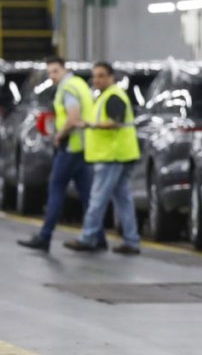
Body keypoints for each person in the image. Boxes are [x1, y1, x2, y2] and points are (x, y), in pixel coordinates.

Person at [17, 57, 105, 252]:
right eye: (49, 73)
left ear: (64, 69)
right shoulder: (80, 84)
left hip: (70, 147)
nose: (52, 76)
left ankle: (44, 236)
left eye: (55, 71)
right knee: (88, 195)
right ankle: (98, 237)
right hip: (83, 147)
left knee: (56, 190)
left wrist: (59, 136)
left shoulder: (68, 88)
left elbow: (72, 118)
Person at [64, 61, 141, 255]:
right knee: (123, 200)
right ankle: (131, 241)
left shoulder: (113, 96)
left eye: (101, 76)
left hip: (112, 156)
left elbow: (115, 122)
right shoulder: (107, 96)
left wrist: (89, 124)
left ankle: (88, 237)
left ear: (111, 77)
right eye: (95, 76)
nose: (96, 79)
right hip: (121, 154)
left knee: (97, 199)